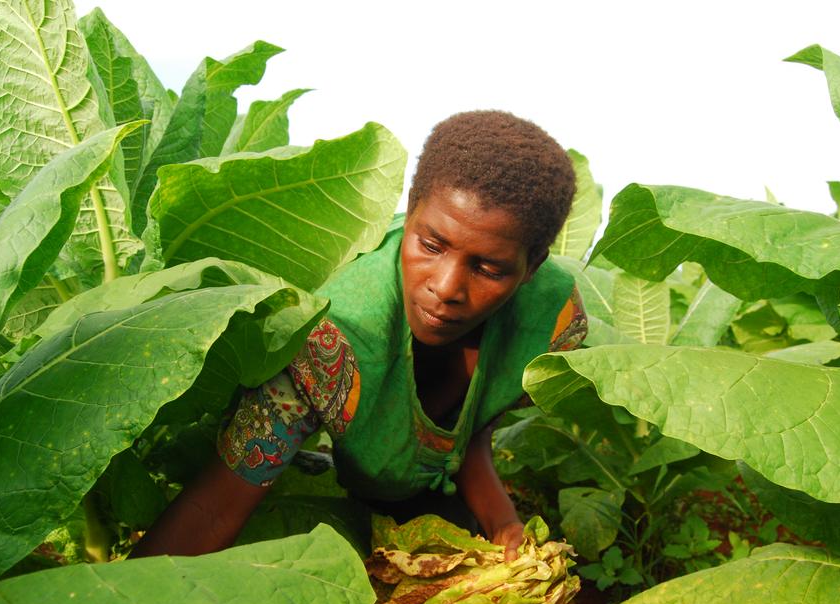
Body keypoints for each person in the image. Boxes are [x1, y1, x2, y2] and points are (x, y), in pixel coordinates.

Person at [131, 110, 587, 562]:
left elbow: (469, 434)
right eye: (430, 246)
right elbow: (213, 509)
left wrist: (503, 524)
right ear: (411, 210)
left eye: (489, 269)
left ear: (533, 267)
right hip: (329, 495)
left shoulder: (551, 320)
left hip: (427, 494)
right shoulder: (329, 336)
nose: (446, 288)